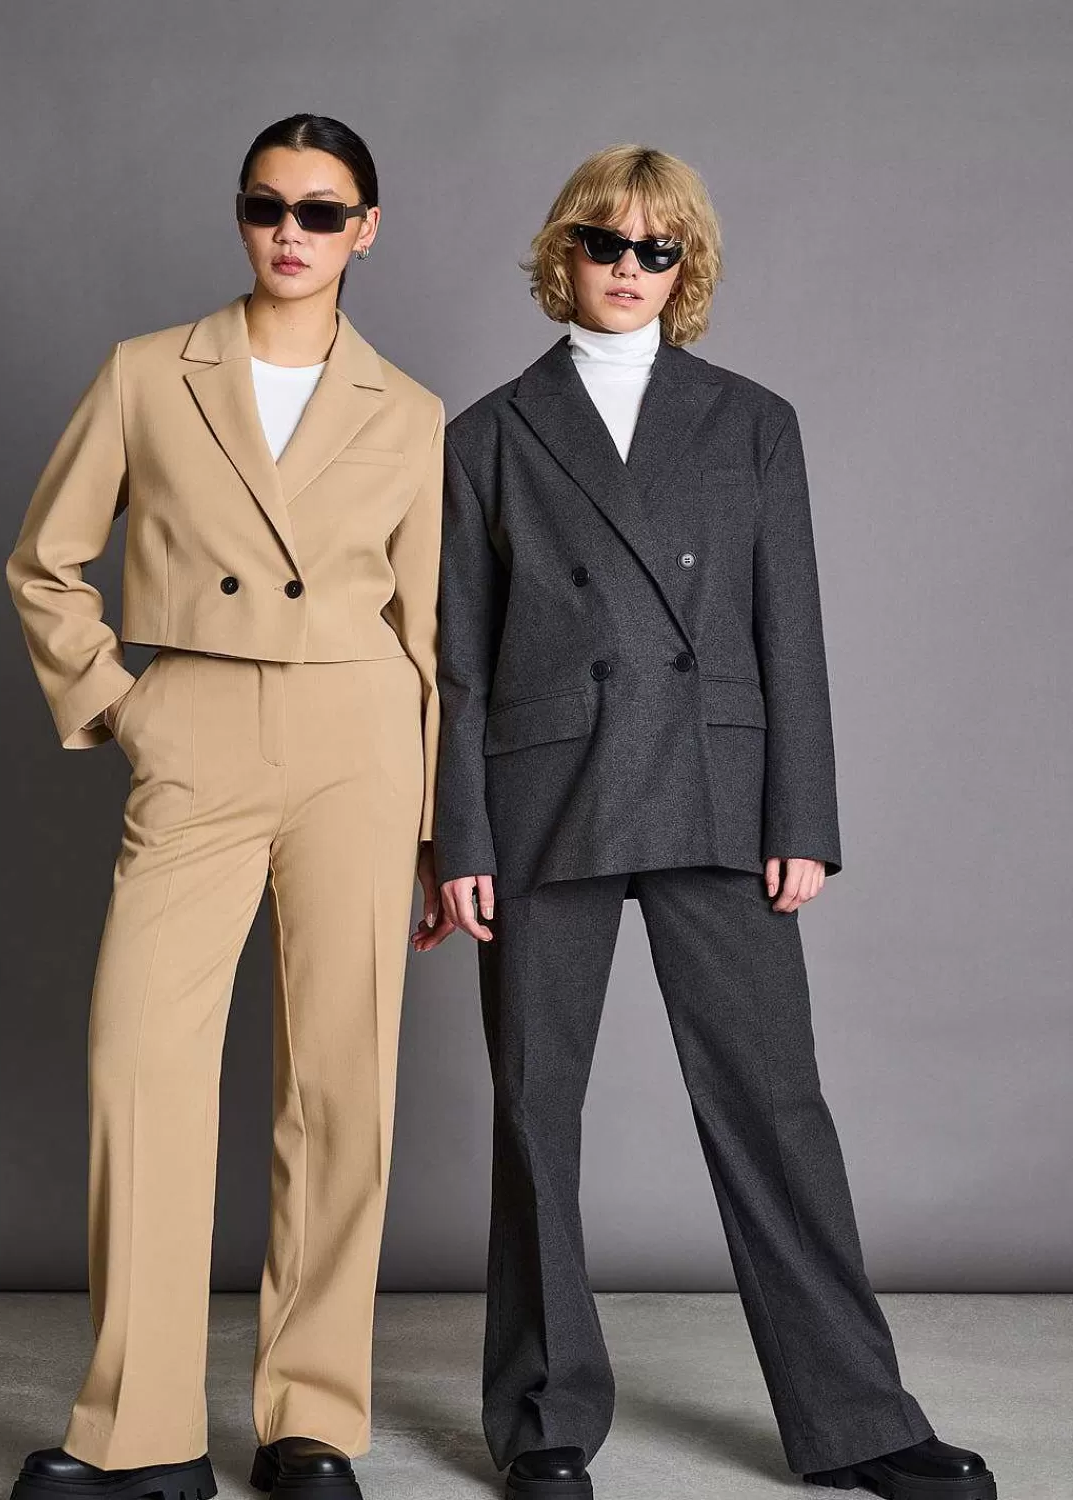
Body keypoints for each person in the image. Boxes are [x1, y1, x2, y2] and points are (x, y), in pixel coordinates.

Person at [426, 144, 995, 1500]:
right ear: (563, 255)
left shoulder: (752, 421)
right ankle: (544, 1421)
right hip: (544, 791)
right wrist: (460, 841)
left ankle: (859, 1418)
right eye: (604, 243)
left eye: (656, 249)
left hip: (715, 789)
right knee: (534, 1113)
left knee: (774, 1101)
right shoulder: (488, 436)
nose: (628, 268)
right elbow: (458, 662)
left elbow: (790, 633)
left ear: (686, 268)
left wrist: (802, 814)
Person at [4, 113, 444, 1500]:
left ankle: (312, 1424)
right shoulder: (148, 372)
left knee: (339, 1084)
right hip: (195, 726)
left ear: (366, 229)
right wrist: (122, 704)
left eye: (322, 211)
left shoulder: (410, 411)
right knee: (142, 1062)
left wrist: (443, 829)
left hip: (360, 738)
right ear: (241, 216)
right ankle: (141, 1434)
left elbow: (434, 634)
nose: (291, 234)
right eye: (268, 206)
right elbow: (45, 562)